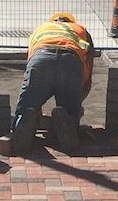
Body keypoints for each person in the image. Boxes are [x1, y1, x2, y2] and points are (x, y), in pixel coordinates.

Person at [10, 11, 95, 155]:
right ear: (71, 22)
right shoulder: (81, 30)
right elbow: (88, 72)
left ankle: (25, 120)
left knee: (27, 107)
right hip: (70, 61)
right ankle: (67, 120)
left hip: (41, 59)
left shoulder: (41, 29)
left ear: (53, 21)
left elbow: (31, 65)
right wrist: (77, 102)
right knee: (70, 113)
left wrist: (35, 107)